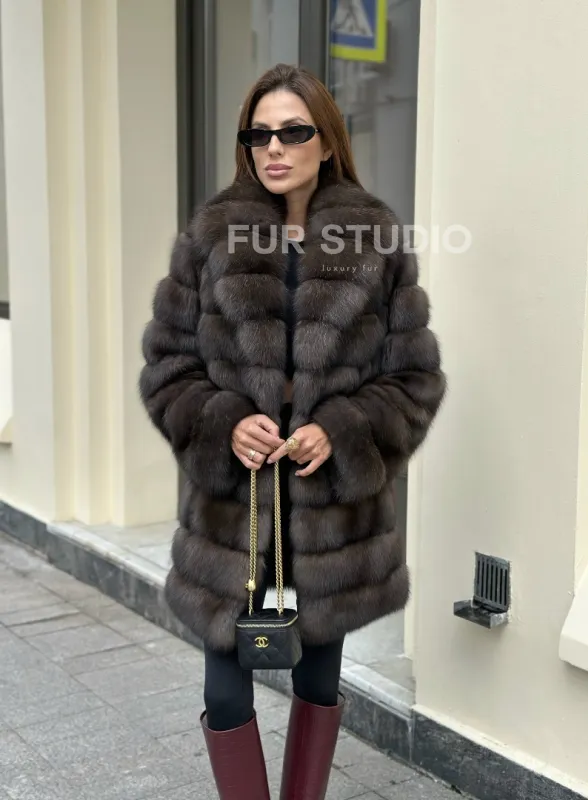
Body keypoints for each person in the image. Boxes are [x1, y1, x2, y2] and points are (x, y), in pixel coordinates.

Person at [139, 63, 446, 800]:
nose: (273, 148)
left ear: (327, 141)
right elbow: (167, 366)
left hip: (329, 509)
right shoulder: (210, 235)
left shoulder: (374, 238)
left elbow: (414, 379)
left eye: (293, 131)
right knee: (224, 692)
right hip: (234, 510)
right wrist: (222, 422)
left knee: (317, 681)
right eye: (259, 134)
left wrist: (340, 428)